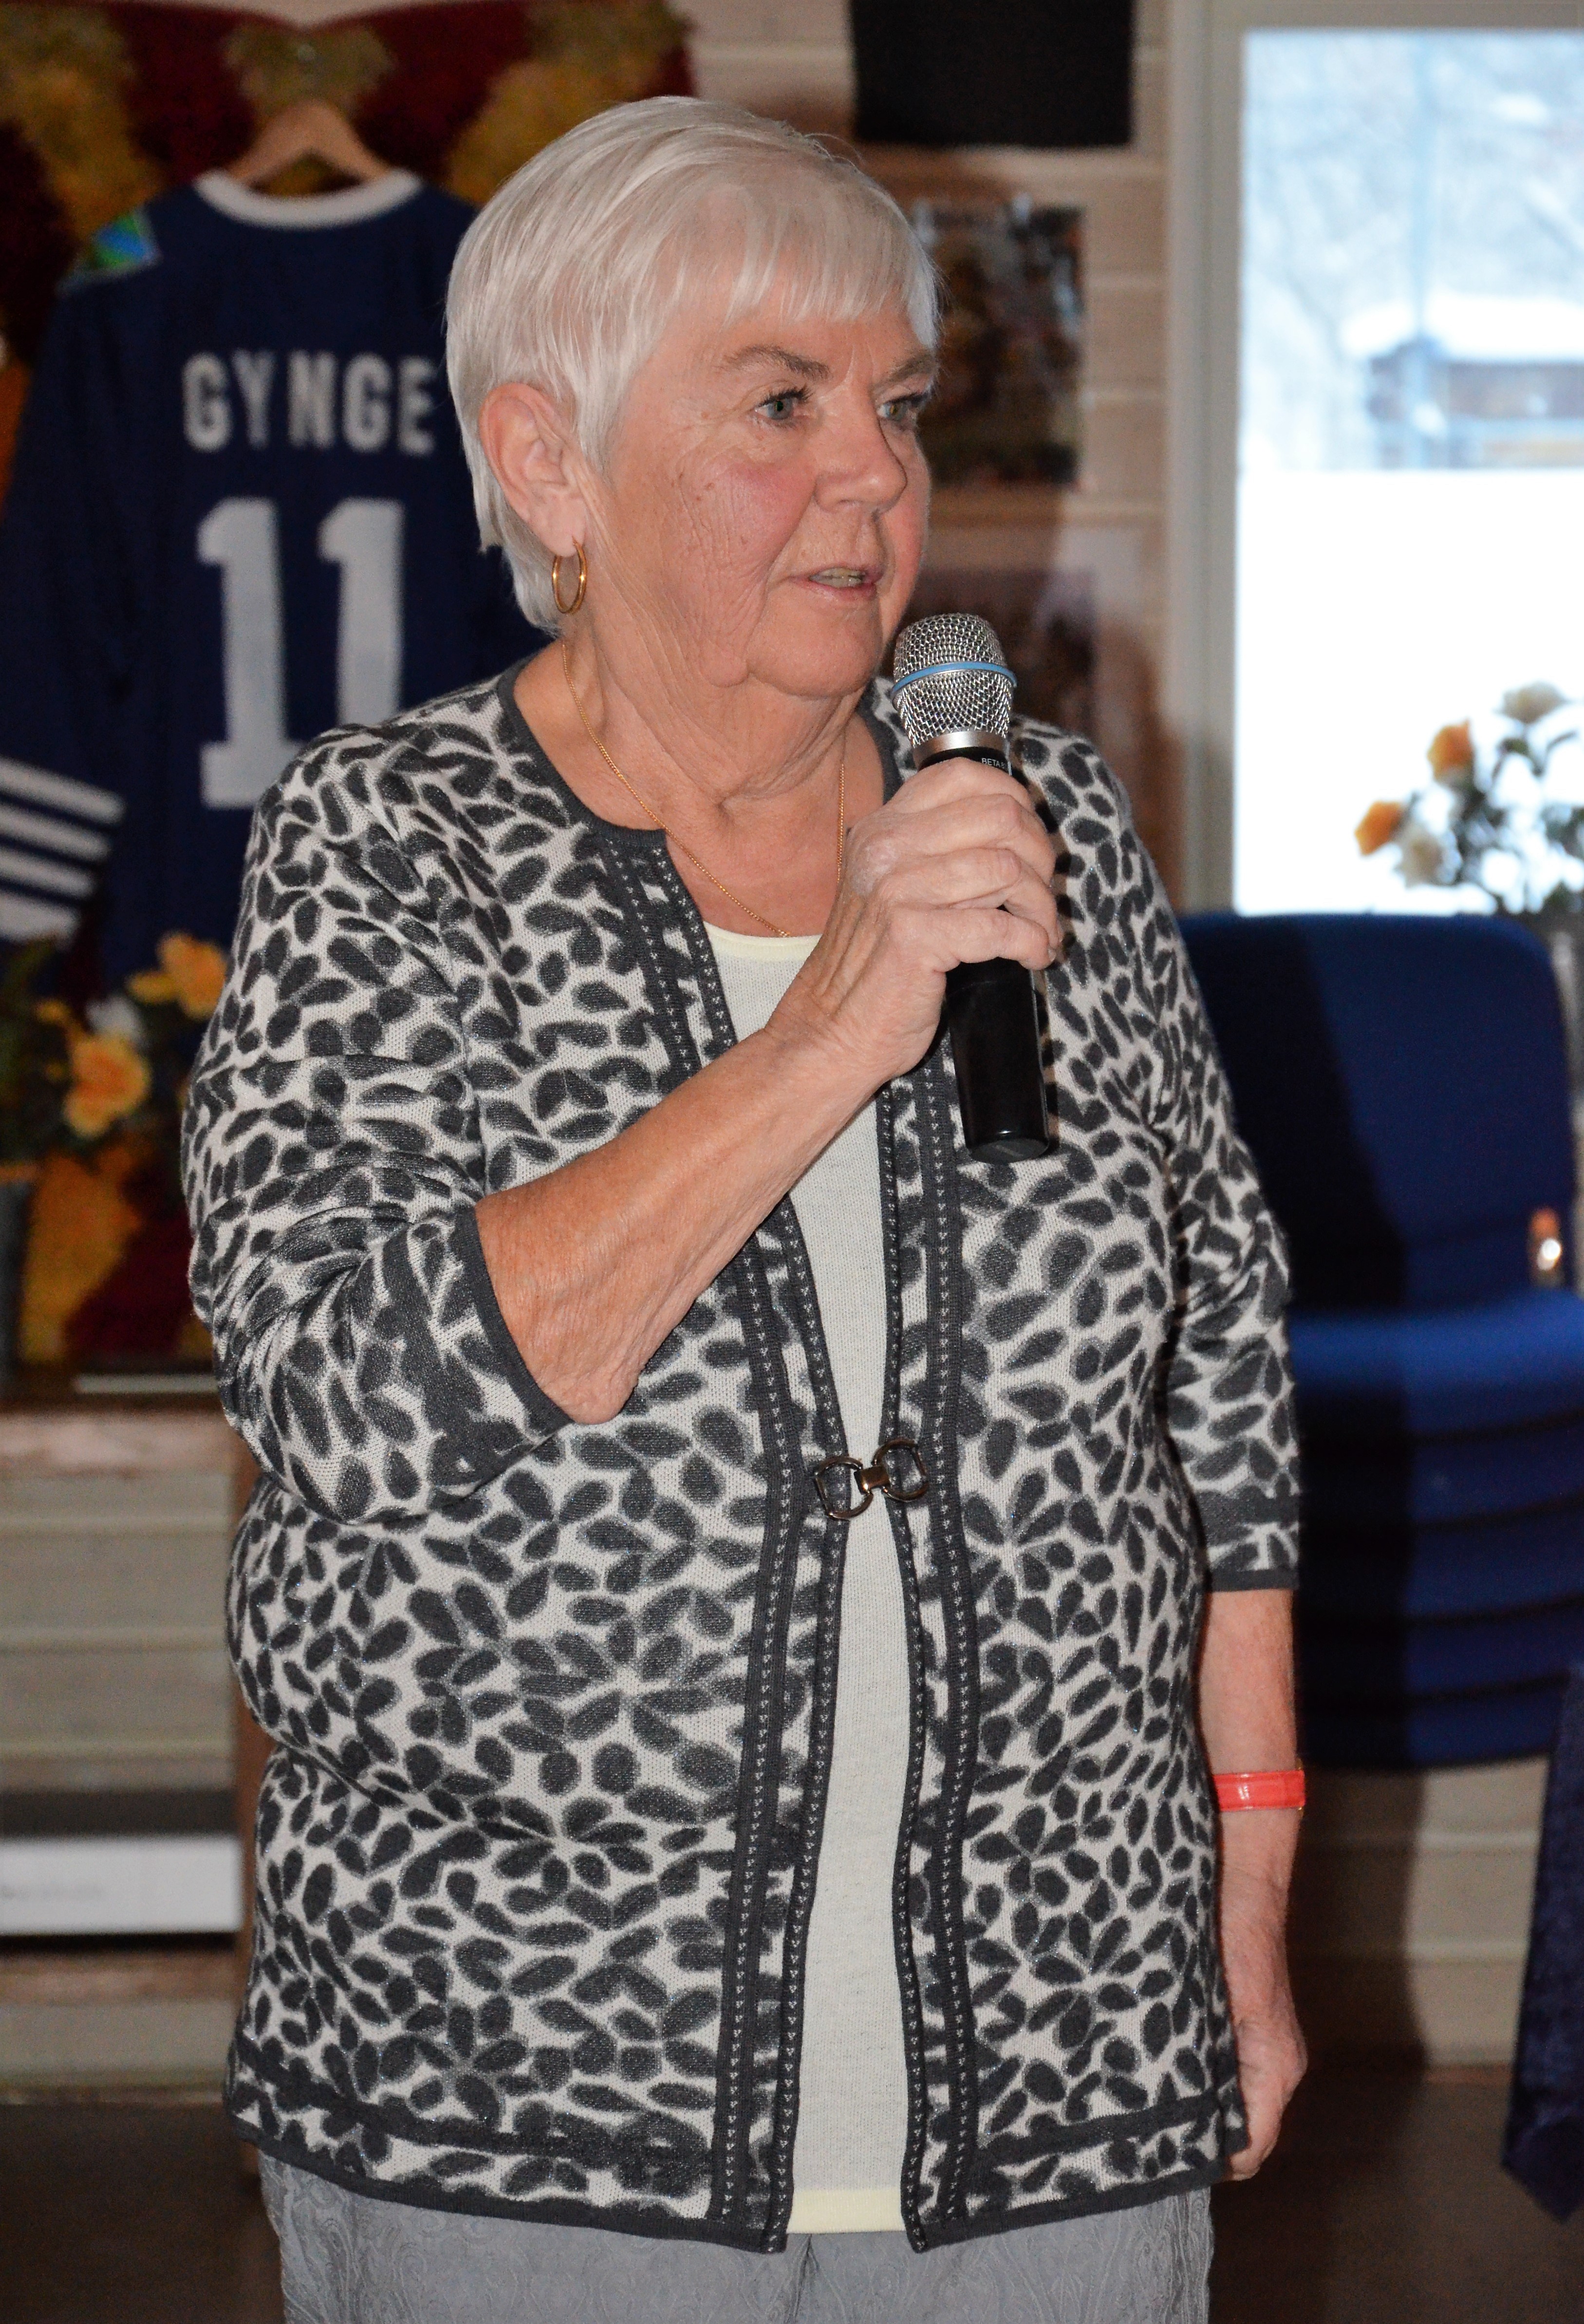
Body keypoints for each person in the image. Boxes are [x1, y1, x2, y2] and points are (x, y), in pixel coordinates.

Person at [184, 96, 1306, 2324]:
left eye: (894, 404)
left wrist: (1244, 1927)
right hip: (520, 2109)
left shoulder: (1046, 822)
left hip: (1060, 2086)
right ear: (551, 464)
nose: (872, 475)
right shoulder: (391, 845)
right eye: (780, 404)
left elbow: (1221, 1415)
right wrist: (826, 1036)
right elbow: (341, 1392)